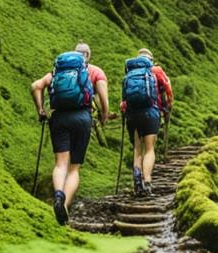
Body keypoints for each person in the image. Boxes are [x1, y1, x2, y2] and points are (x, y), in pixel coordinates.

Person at [31, 42, 111, 224]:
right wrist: (104, 116)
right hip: (82, 118)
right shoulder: (94, 72)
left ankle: (58, 195)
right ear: (88, 56)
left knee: (60, 164)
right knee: (74, 168)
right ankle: (65, 206)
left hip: (59, 118)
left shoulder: (57, 72)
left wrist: (41, 110)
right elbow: (103, 98)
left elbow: (36, 86)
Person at [122, 47, 172, 197]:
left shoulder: (129, 72)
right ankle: (147, 182)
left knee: (138, 149)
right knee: (149, 148)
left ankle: (137, 181)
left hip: (133, 114)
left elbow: (124, 100)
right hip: (151, 112)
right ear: (150, 59)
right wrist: (167, 108)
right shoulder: (156, 70)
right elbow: (168, 92)